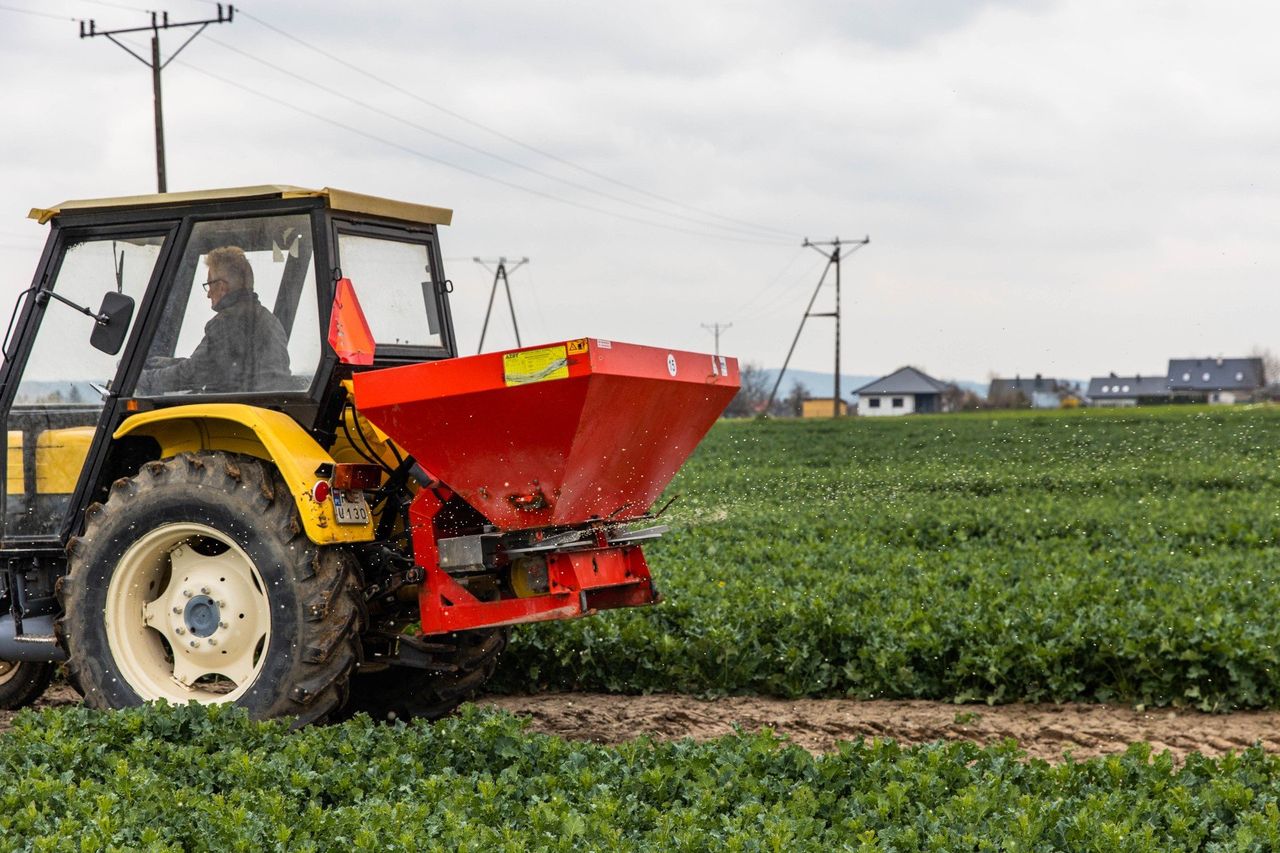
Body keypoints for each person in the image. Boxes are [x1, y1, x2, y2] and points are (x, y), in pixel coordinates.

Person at [139, 246, 292, 394]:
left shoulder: (227, 322)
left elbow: (193, 374)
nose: (208, 294)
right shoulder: (269, 320)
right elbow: (215, 363)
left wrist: (146, 380)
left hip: (236, 410)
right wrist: (165, 363)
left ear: (221, 287)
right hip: (260, 407)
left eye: (209, 285)